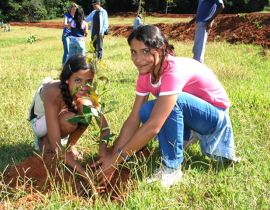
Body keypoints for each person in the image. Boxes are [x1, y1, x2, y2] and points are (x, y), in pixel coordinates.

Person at [95, 25, 238, 189]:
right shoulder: (146, 73)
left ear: (161, 49)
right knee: (146, 110)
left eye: (145, 51)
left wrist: (115, 161)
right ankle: (186, 136)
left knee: (169, 105)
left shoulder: (172, 71)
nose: (137, 59)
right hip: (193, 117)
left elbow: (154, 126)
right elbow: (134, 118)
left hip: (214, 118)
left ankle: (172, 168)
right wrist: (113, 155)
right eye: (133, 52)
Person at [28, 54, 110, 178]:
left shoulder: (90, 91)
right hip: (40, 120)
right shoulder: (53, 92)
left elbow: (105, 127)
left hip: (62, 113)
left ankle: (71, 145)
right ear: (67, 79)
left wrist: (102, 152)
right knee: (68, 120)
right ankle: (44, 140)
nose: (83, 86)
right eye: (78, 80)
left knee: (87, 107)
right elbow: (57, 147)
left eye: (88, 81)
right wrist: (84, 173)